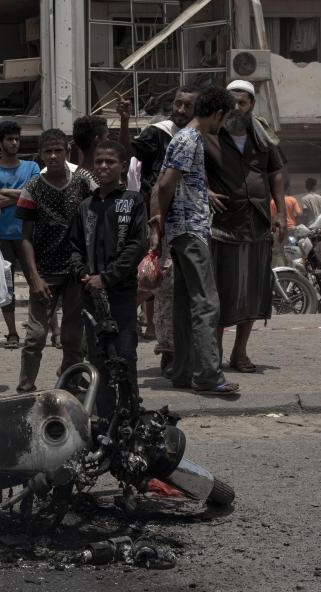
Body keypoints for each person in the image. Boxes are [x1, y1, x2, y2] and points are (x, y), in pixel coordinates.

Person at [148, 86, 239, 395]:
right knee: (206, 302)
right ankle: (208, 375)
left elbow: (169, 183)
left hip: (183, 230)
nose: (222, 126)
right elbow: (165, 185)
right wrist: (159, 225)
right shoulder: (189, 139)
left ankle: (184, 372)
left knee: (186, 304)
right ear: (218, 114)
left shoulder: (185, 138)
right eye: (224, 119)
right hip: (190, 229)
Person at [203, 79, 286, 374]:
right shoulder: (210, 134)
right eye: (232, 102)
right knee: (221, 292)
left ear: (252, 104)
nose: (237, 107)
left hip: (258, 222)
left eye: (243, 102)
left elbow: (276, 172)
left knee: (252, 291)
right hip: (223, 225)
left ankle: (240, 353)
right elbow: (189, 171)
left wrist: (281, 212)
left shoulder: (262, 135)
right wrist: (207, 192)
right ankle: (217, 353)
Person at [118, 86, 199, 375]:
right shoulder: (159, 132)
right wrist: (125, 121)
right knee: (164, 289)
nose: (180, 110)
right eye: (177, 103)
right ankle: (168, 351)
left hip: (192, 222)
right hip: (160, 221)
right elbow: (130, 153)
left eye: (187, 106)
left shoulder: (200, 137)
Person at [68, 140, 147, 416]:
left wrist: (107, 278)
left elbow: (137, 246)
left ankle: (130, 417)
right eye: (98, 161)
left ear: (122, 166)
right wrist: (84, 275)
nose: (103, 167)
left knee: (125, 355)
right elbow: (75, 247)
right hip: (91, 296)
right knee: (99, 359)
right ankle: (104, 419)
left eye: (109, 162)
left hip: (122, 293)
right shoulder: (85, 206)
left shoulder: (133, 202)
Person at [16, 128, 93, 393]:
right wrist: (34, 276)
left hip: (75, 271)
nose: (53, 156)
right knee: (35, 336)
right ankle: (25, 389)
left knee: (72, 336)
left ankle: (70, 386)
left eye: (58, 150)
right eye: (47, 151)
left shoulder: (83, 183)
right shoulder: (33, 188)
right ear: (40, 155)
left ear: (67, 152)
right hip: (45, 271)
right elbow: (25, 237)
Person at [0, 120, 40, 349]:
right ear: (0, 142)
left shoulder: (31, 167)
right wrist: (21, 196)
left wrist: (4, 193)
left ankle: (47, 329)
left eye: (16, 139)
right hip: (2, 235)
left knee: (36, 280)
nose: (14, 143)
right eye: (9, 139)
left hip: (28, 234)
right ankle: (12, 333)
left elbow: (36, 193)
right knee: (6, 285)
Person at [71, 115, 108, 190]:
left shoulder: (91, 176)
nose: (108, 141)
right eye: (106, 137)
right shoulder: (81, 180)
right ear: (97, 140)